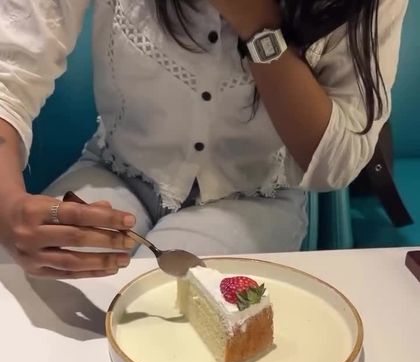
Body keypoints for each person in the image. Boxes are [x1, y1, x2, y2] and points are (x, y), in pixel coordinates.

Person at [0, 0, 408, 279]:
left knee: (168, 329)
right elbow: (10, 73)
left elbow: (336, 163)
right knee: (27, 281)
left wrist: (258, 26)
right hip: (117, 168)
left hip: (254, 198)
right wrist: (7, 204)